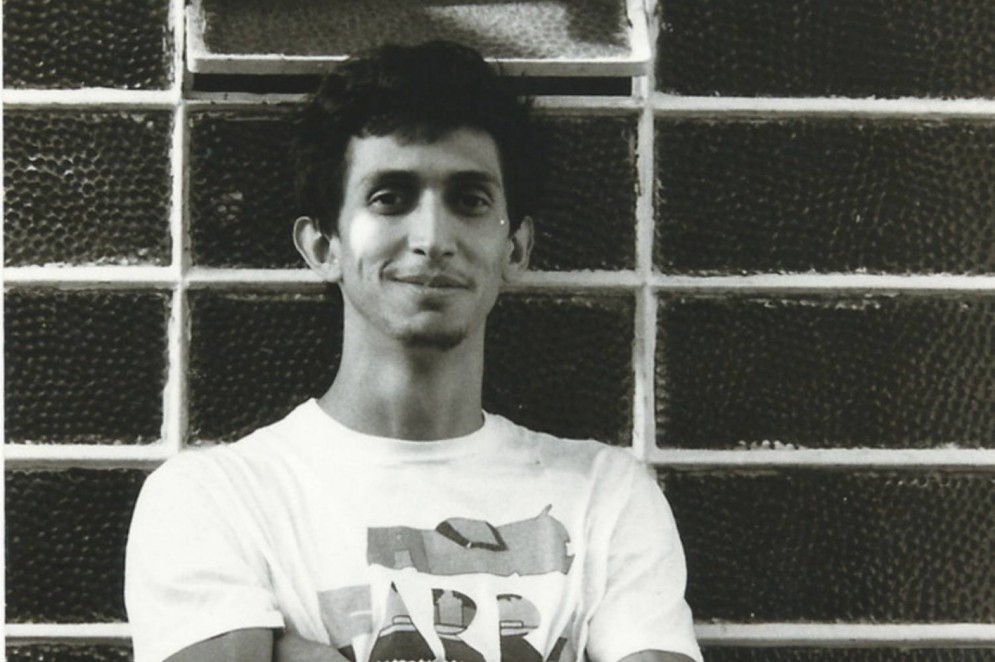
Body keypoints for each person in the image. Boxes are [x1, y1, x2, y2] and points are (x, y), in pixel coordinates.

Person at [125, 40, 701, 662]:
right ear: (323, 247)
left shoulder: (606, 495)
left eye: (469, 200)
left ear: (515, 247)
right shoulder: (214, 498)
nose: (432, 238)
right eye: (390, 198)